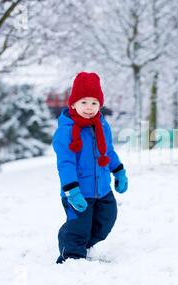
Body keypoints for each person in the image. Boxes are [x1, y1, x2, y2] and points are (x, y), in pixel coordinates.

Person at [52, 71, 128, 264]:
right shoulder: (66, 131)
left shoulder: (102, 125)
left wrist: (119, 171)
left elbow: (108, 151)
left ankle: (75, 240)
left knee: (106, 221)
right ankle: (72, 257)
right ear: (73, 104)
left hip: (102, 188)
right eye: (84, 102)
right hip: (79, 191)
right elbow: (65, 163)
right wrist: (71, 190)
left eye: (94, 103)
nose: (89, 108)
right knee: (79, 227)